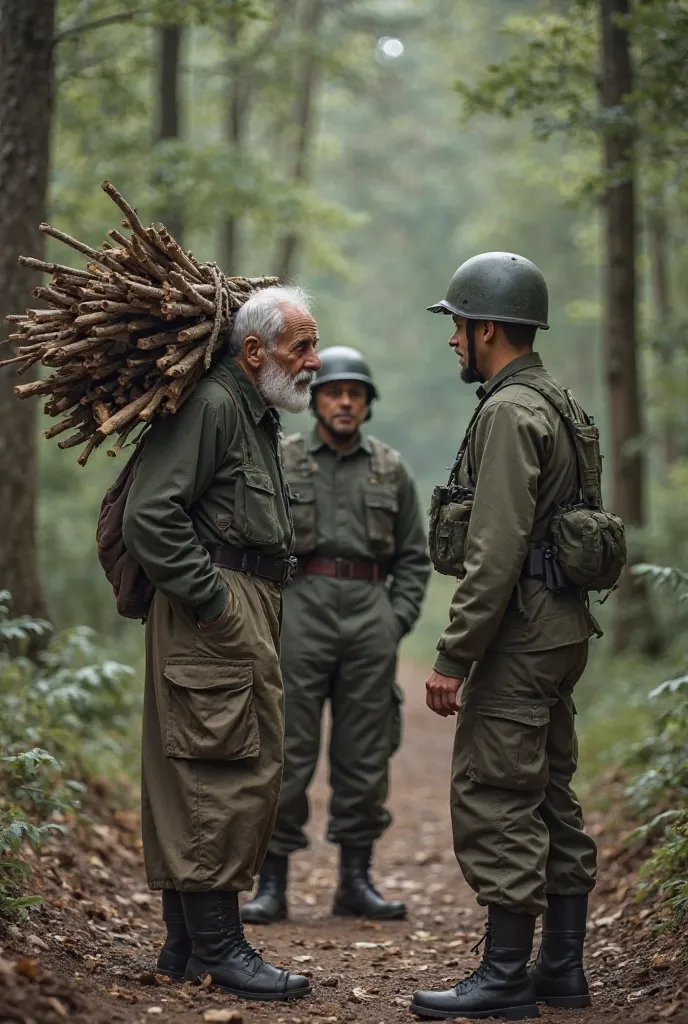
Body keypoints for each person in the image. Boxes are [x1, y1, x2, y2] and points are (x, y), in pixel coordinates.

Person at [411, 253, 604, 1020]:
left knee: (497, 791)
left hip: (522, 628)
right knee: (549, 791)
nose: (452, 340)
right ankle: (560, 972)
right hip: (560, 626)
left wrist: (455, 656)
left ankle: (503, 979)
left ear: (487, 327)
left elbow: (494, 552)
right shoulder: (555, 402)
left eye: (457, 326)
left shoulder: (507, 412)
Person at [121, 285, 321, 1002]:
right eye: (302, 346)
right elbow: (151, 515)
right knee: (220, 769)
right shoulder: (214, 406)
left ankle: (184, 946)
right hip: (214, 606)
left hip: (237, 603)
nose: (314, 360)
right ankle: (221, 948)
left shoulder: (253, 412)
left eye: (312, 345)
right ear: (254, 350)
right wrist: (211, 603)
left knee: (216, 759)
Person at [241, 346, 431, 925]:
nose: (345, 401)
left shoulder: (390, 469)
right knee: (287, 750)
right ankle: (271, 884)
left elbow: (414, 559)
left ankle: (355, 880)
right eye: (333, 392)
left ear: (367, 404)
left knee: (364, 754)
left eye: (355, 394)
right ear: (316, 400)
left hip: (370, 618)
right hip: (302, 615)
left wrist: (393, 620)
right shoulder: (285, 459)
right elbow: (255, 543)